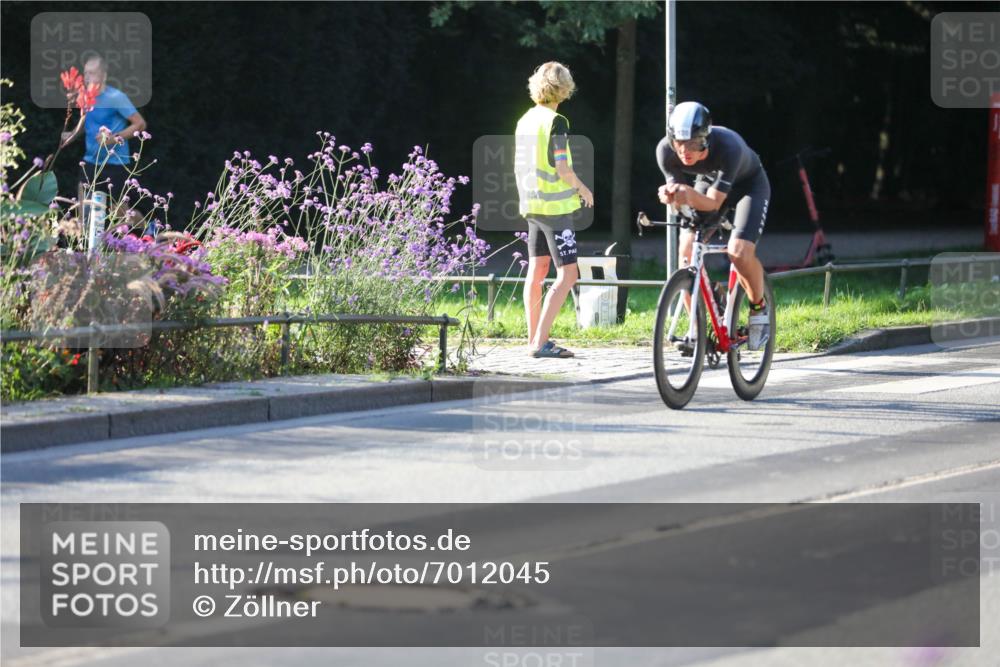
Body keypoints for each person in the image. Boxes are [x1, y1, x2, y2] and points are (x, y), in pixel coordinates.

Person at [655, 101, 771, 350]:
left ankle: (759, 309)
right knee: (686, 252)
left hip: (748, 187)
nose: (685, 151)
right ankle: (697, 329)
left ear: (705, 140)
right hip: (709, 182)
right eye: (679, 143)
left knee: (738, 252)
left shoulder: (729, 146)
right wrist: (671, 196)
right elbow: (682, 199)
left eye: (694, 144)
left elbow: (712, 202)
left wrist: (685, 191)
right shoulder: (665, 151)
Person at [514, 62, 594, 359]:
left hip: (531, 203)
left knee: (537, 271)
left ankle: (533, 337)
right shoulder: (557, 121)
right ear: (565, 88)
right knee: (568, 274)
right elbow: (561, 166)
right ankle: (541, 342)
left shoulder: (525, 120)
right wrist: (582, 188)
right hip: (555, 207)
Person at [60, 54, 148, 230]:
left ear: (104, 75)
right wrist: (72, 134)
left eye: (92, 73)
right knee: (84, 212)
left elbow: (140, 124)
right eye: (85, 73)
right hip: (90, 162)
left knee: (121, 213)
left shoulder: (116, 97)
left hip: (115, 163)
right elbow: (87, 122)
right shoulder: (85, 96)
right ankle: (86, 255)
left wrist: (113, 138)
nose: (87, 77)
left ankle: (149, 228)